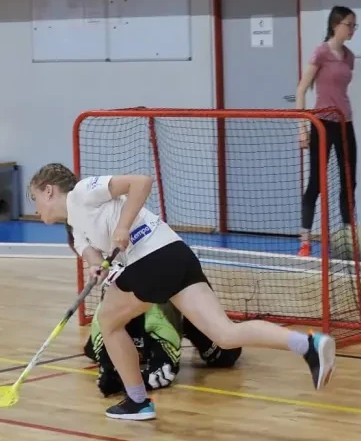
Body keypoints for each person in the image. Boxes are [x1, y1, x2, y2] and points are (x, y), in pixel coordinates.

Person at [29, 163, 335, 421]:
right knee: (224, 334)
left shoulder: (83, 192)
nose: (35, 208)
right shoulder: (75, 229)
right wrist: (97, 268)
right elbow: (93, 257)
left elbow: (141, 182)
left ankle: (138, 401)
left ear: (49, 190)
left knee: (109, 323)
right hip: (176, 257)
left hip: (154, 256)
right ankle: (308, 345)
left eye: (34, 198)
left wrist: (123, 226)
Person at [294, 5, 358, 257]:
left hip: (345, 123)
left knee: (349, 181)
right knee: (316, 182)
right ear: (335, 25)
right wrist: (302, 129)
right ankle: (305, 239)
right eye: (349, 25)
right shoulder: (320, 52)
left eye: (354, 26)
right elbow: (301, 90)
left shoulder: (349, 56)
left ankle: (346, 239)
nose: (352, 30)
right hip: (322, 123)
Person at [83, 300, 242, 397]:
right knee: (91, 351)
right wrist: (108, 372)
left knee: (224, 357)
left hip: (181, 310)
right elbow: (106, 368)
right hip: (144, 316)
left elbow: (166, 370)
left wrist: (127, 383)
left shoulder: (159, 317)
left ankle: (212, 325)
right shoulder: (103, 315)